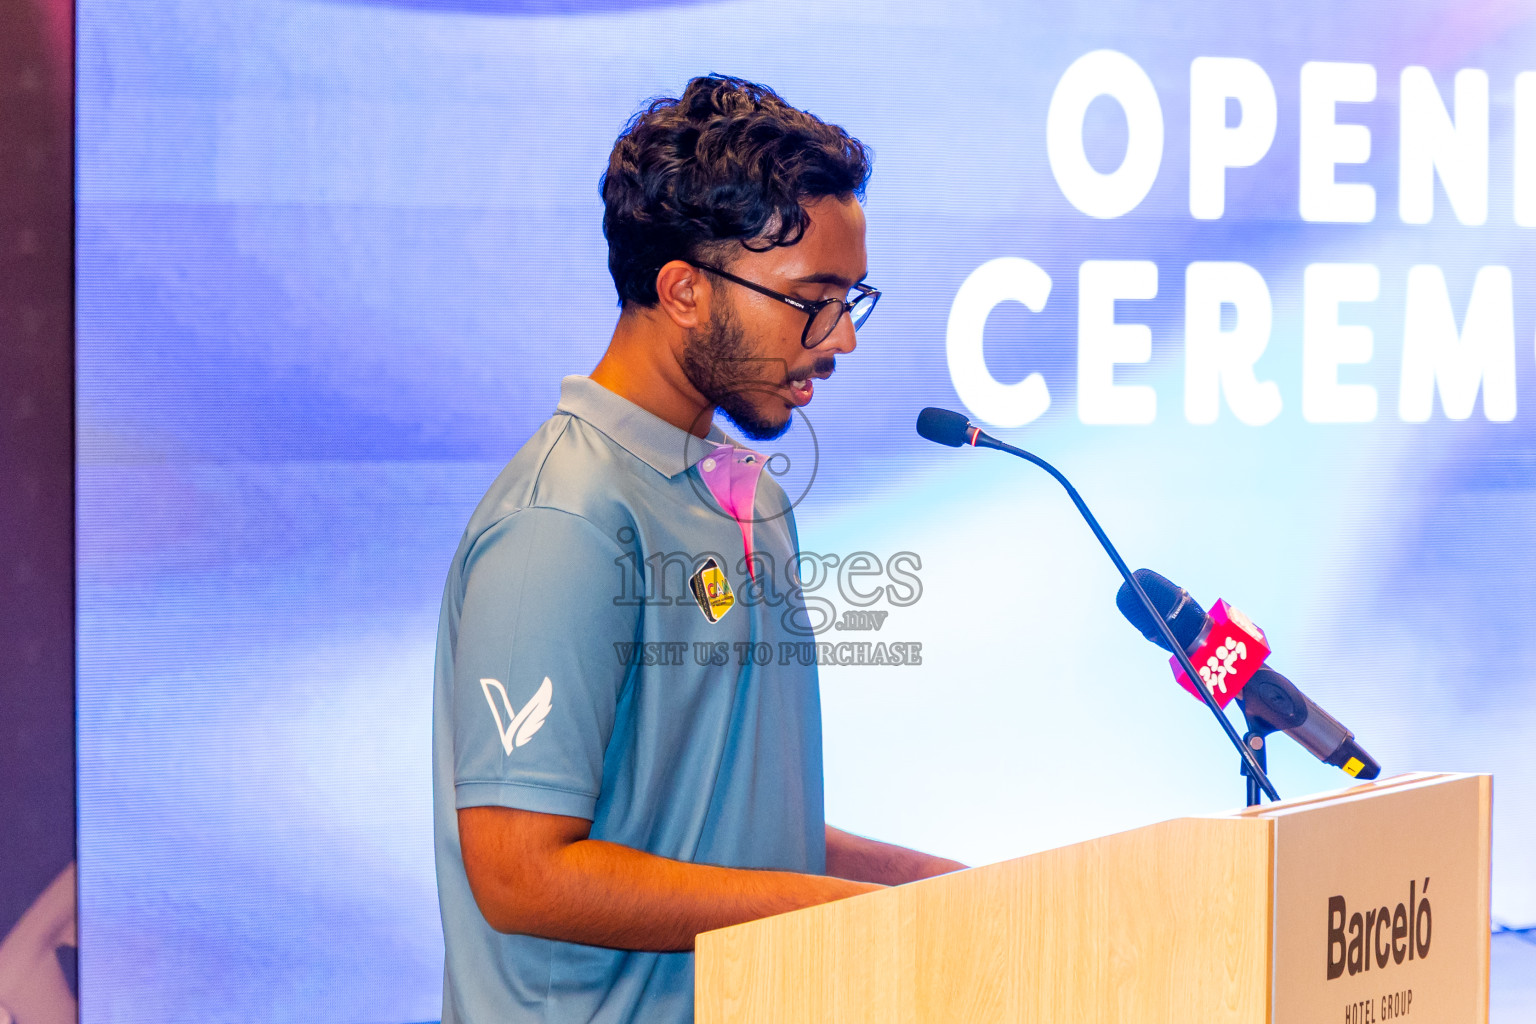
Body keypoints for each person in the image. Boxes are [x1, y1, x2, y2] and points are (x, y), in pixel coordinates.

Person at [432, 74, 963, 1024]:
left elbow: (728, 832)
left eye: (852, 298)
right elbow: (519, 873)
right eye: (813, 297)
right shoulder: (566, 518)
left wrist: (939, 889)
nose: (839, 338)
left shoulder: (746, 494)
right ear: (683, 290)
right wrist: (830, 915)